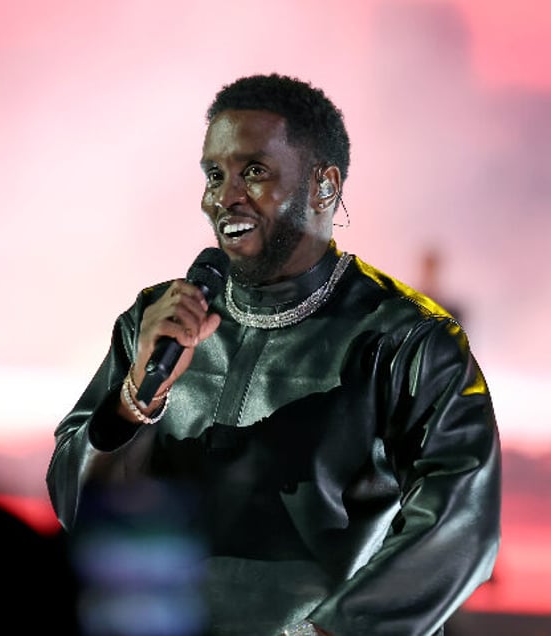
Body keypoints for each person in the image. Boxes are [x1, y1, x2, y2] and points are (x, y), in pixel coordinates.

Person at [46, 74, 501, 636]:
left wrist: (335, 631)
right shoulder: (156, 320)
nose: (224, 196)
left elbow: (463, 524)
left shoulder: (405, 340)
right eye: (215, 175)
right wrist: (138, 396)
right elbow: (73, 506)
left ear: (324, 187)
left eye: (254, 172)